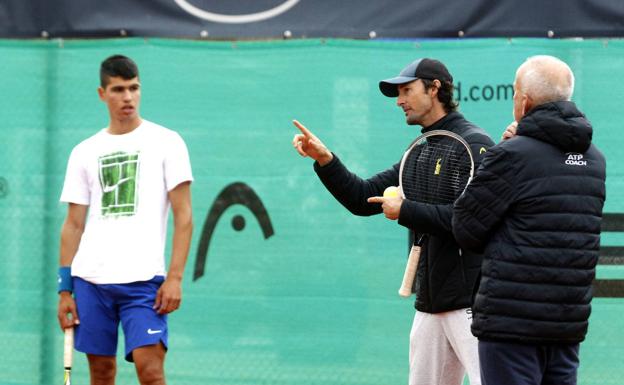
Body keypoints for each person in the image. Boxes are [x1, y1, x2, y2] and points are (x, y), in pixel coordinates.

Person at [292, 58, 494, 385]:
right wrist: (325, 160)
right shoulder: (420, 151)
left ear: (434, 88)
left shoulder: (474, 144)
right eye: (397, 92)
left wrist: (405, 210)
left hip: (472, 304)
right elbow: (363, 198)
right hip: (430, 305)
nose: (399, 100)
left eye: (407, 90)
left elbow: (471, 221)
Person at [452, 55, 606, 385]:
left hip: (511, 326)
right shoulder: (595, 160)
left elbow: (465, 227)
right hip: (567, 324)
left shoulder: (510, 156)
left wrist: (500, 154)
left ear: (524, 101)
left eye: (513, 93)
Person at [56, 55, 193, 385]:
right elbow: (73, 223)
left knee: (151, 373)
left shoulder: (167, 142)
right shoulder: (84, 151)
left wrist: (174, 278)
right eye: (118, 89)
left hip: (145, 283)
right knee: (101, 375)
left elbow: (184, 215)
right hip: (90, 282)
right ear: (102, 94)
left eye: (134, 88)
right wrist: (65, 290)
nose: (128, 97)